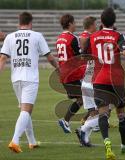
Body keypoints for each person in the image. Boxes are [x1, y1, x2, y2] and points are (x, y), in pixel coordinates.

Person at [0, 12, 58, 153]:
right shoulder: (37, 36)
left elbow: (2, 58)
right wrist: (58, 68)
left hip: (16, 79)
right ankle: (15, 140)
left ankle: (32, 141)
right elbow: (49, 57)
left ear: (19, 22)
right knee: (26, 110)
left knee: (24, 110)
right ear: (31, 22)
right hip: (30, 79)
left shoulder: (9, 37)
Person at [90, 8, 125, 160]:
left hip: (99, 79)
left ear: (101, 21)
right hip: (116, 79)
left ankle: (107, 142)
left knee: (103, 113)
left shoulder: (93, 36)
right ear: (114, 21)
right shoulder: (118, 35)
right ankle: (123, 144)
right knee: (121, 113)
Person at [57, 14, 84, 134]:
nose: (76, 25)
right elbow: (79, 57)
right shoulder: (73, 38)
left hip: (64, 73)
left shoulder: (59, 38)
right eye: (74, 22)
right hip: (72, 74)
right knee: (83, 98)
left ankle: (68, 121)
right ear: (70, 24)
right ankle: (66, 120)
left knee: (82, 98)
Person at [74, 16, 99, 146]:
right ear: (91, 25)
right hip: (92, 77)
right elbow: (84, 56)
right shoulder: (87, 36)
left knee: (93, 111)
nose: (97, 26)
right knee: (107, 109)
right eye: (96, 24)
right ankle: (82, 130)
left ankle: (85, 139)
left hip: (88, 76)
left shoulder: (86, 36)